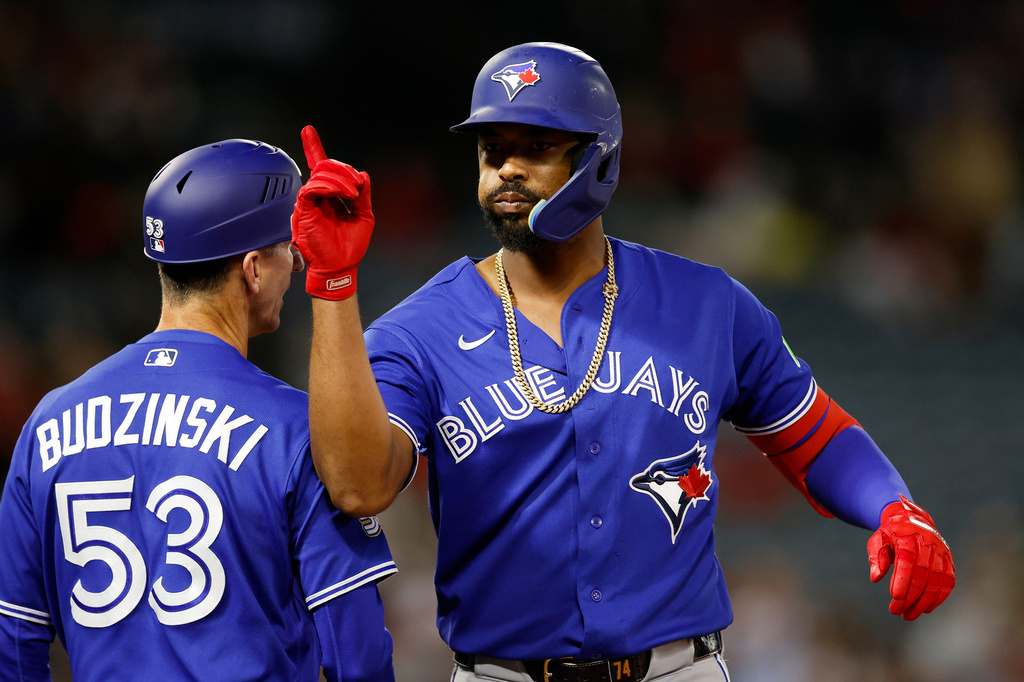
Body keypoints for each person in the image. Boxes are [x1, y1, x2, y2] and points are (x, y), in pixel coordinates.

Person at [290, 42, 956, 682]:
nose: (507, 169)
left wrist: (895, 507)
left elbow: (813, 436)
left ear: (598, 158)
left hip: (679, 669)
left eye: (538, 148)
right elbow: (358, 488)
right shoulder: (419, 329)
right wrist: (332, 283)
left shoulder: (706, 304)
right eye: (494, 151)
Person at [0, 139, 397, 681]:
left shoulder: (48, 421)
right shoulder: (295, 432)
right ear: (253, 269)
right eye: (289, 248)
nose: (296, 262)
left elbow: (16, 640)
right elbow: (357, 653)